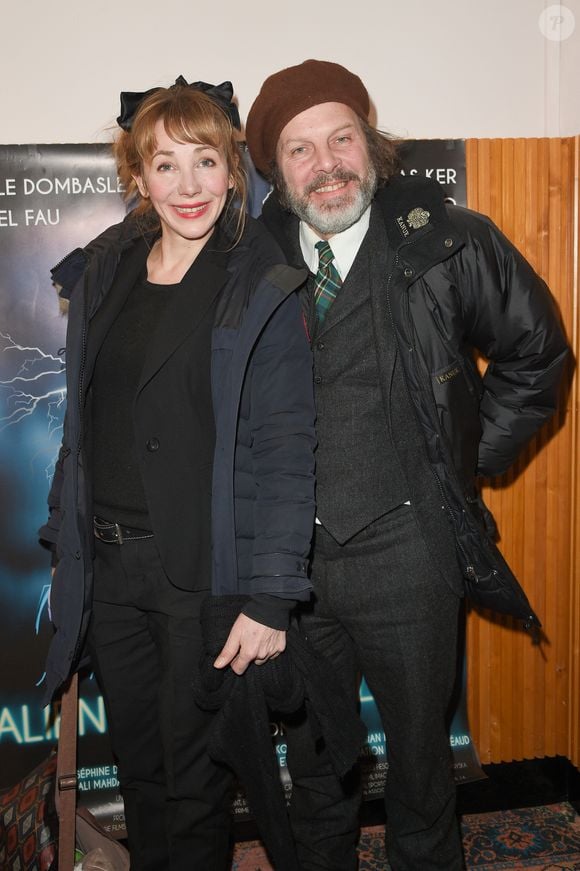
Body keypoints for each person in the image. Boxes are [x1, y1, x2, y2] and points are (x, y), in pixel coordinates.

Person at [245, 59, 570, 871]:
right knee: (316, 768)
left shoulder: (450, 239)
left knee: (423, 767)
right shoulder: (244, 263)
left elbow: (540, 352)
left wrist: (459, 464)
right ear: (277, 173)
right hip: (293, 569)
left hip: (414, 558)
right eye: (301, 150)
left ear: (370, 142)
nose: (328, 164)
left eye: (342, 138)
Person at [39, 76, 316, 870]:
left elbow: (288, 447)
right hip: (112, 567)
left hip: (202, 572)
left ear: (234, 171)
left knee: (196, 783)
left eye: (205, 161)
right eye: (165, 165)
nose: (187, 185)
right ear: (137, 174)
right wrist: (67, 543)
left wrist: (270, 596)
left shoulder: (259, 283)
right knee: (141, 771)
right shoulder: (106, 273)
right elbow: (84, 429)